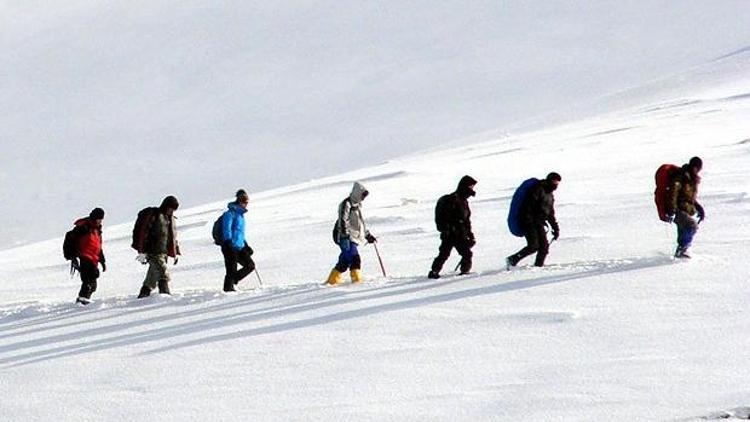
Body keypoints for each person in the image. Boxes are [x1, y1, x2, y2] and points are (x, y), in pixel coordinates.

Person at [506, 172, 561, 269]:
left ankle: (538, 267)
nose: (555, 185)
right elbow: (528, 206)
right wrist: (528, 221)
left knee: (544, 247)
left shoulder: (550, 195)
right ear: (549, 180)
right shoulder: (538, 189)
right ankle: (512, 259)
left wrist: (555, 227)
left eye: (557, 183)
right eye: (554, 182)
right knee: (533, 246)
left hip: (539, 223)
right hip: (528, 222)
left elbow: (550, 213)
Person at [326, 182, 377, 285]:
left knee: (344, 262)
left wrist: (367, 235)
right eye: (363, 195)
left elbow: (360, 224)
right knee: (355, 258)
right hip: (345, 236)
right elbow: (342, 220)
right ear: (357, 193)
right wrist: (344, 236)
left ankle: (332, 281)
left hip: (353, 237)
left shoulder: (357, 206)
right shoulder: (346, 204)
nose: (363, 198)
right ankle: (357, 282)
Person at [428, 175, 477, 279]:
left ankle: (436, 271)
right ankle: (462, 275)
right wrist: (449, 230)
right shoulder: (452, 200)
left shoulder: (464, 201)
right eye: (471, 187)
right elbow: (448, 217)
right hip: (451, 234)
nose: (472, 189)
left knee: (451, 254)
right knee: (448, 254)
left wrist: (470, 235)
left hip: (458, 234)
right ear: (464, 186)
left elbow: (466, 221)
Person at [134, 195, 181, 298]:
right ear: (165, 206)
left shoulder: (170, 219)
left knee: (152, 277)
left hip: (163, 252)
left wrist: (175, 251)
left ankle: (143, 295)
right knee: (163, 274)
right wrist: (141, 251)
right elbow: (143, 232)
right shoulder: (154, 215)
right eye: (171, 208)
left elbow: (172, 237)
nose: (172, 211)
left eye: (174, 209)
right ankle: (165, 297)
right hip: (152, 252)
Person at [666, 156, 704, 258]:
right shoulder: (682, 176)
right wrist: (672, 210)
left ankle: (680, 252)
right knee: (692, 226)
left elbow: (689, 197)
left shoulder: (691, 179)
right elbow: (673, 192)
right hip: (677, 209)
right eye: (699, 168)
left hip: (685, 210)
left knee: (685, 230)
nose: (699, 171)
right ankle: (682, 249)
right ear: (695, 167)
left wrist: (699, 208)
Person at [68, 208, 107, 304]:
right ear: (94, 217)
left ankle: (82, 300)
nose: (100, 221)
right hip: (85, 256)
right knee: (89, 281)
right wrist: (73, 257)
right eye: (99, 219)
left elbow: (98, 245)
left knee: (93, 285)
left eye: (101, 219)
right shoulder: (83, 227)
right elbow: (72, 241)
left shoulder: (97, 229)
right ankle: (82, 301)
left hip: (94, 258)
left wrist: (102, 259)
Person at [220, 189, 256, 292]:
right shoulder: (230, 213)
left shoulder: (241, 216)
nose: (245, 204)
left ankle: (233, 281)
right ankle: (228, 288)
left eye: (246, 201)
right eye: (244, 201)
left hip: (240, 246)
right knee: (231, 269)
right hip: (229, 246)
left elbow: (240, 232)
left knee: (250, 265)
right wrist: (227, 242)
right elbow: (226, 229)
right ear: (239, 201)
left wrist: (246, 245)